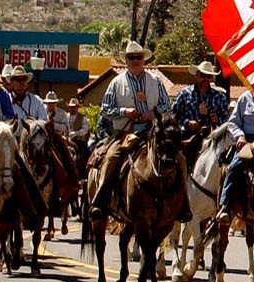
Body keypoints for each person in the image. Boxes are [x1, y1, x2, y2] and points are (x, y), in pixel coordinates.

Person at [87, 41, 173, 219]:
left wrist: (152, 113)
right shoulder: (116, 83)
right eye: (131, 57)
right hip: (125, 133)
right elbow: (105, 110)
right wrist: (124, 112)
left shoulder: (155, 81)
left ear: (144, 60)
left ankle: (182, 205)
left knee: (177, 158)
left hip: (153, 133)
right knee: (111, 157)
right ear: (126, 61)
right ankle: (100, 200)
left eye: (138, 57)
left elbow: (166, 105)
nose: (135, 60)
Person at [172, 61, 230, 133]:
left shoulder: (219, 97)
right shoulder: (184, 94)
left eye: (209, 76)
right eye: (202, 75)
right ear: (196, 75)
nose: (206, 79)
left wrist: (218, 119)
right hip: (187, 136)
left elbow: (227, 120)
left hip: (211, 136)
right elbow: (172, 115)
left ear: (212, 78)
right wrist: (187, 123)